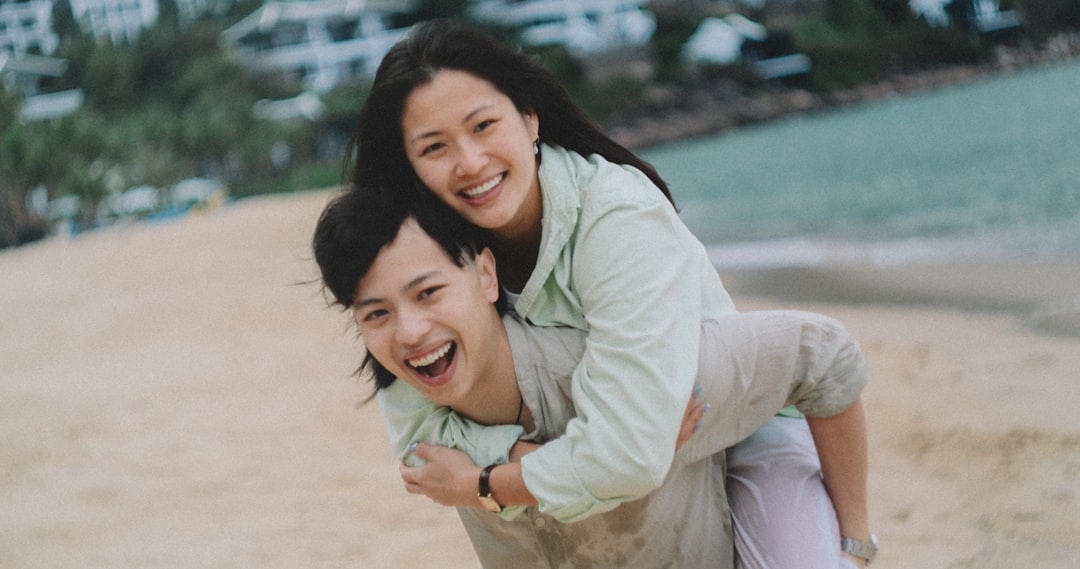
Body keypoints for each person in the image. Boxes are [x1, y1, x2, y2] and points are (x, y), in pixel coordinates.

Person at [348, 20, 875, 568]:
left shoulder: (615, 213)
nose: (471, 162)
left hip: (733, 417)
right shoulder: (426, 258)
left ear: (529, 118)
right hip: (623, 451)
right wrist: (569, 456)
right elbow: (419, 442)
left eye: (483, 126)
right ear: (409, 167)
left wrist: (485, 481)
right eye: (435, 147)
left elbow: (628, 454)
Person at [312, 187, 870, 567]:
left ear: (485, 275)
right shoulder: (430, 440)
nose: (409, 332)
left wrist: (857, 542)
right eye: (376, 314)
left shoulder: (626, 375)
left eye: (428, 292)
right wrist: (599, 460)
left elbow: (822, 354)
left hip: (761, 471)